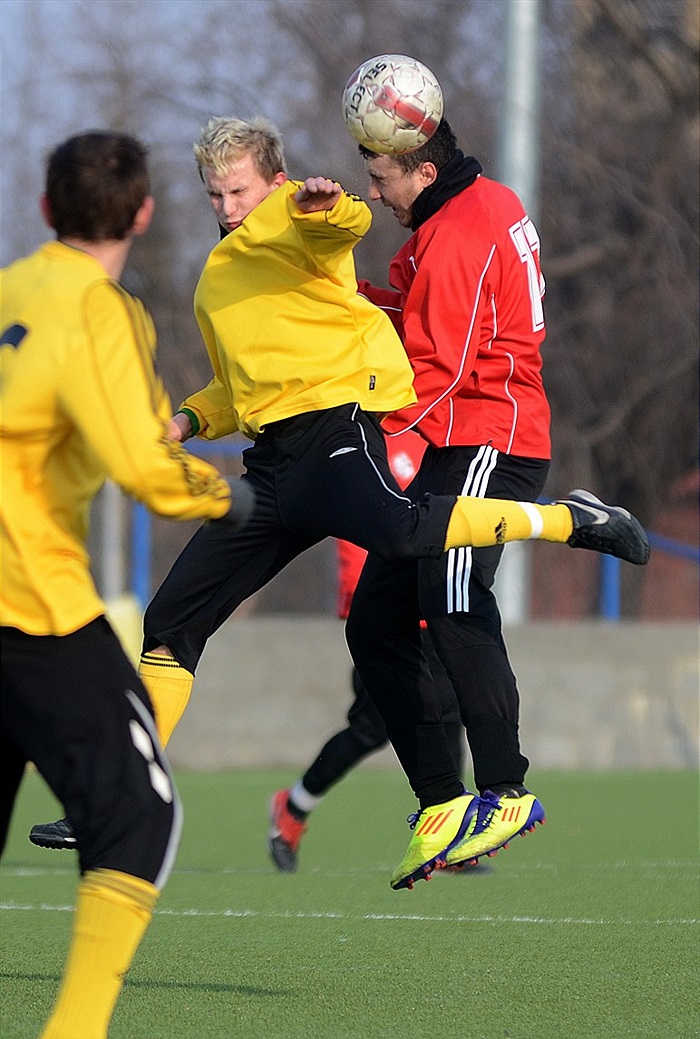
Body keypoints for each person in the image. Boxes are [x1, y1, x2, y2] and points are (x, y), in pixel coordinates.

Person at [27, 117, 649, 887]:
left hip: (335, 439)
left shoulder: (300, 221)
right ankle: (121, 797)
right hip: (272, 471)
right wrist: (186, 420)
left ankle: (569, 520)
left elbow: (342, 225)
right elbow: (237, 387)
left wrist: (325, 205)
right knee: (175, 622)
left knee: (410, 537)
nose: (228, 208)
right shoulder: (218, 276)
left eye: (240, 191)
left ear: (276, 181)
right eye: (215, 195)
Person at [1, 131, 251, 1039]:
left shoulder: (9, 290)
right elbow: (142, 463)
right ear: (143, 213)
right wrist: (227, 498)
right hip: (29, 604)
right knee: (139, 815)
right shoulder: (98, 309)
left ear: (44, 209)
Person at [343, 111, 635, 889]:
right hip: (462, 441)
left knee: (451, 597)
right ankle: (442, 801)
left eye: (381, 179)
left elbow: (436, 369)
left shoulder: (459, 232)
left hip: (491, 440)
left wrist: (355, 428)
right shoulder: (471, 208)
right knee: (373, 622)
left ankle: (506, 788)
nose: (373, 194)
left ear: (423, 170)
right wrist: (345, 294)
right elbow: (420, 317)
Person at [268, 431, 465, 873]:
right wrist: (361, 597)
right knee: (371, 727)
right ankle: (293, 807)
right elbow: (359, 527)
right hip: (383, 611)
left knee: (449, 712)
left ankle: (451, 836)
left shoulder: (430, 439)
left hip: (429, 602)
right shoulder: (362, 439)